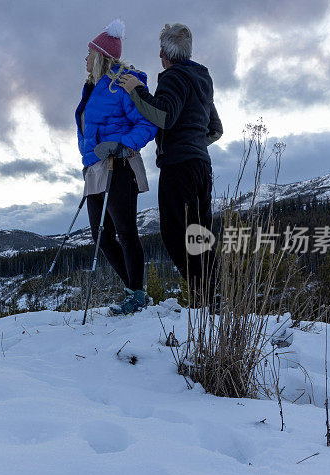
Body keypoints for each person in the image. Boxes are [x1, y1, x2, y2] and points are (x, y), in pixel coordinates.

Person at [117, 23, 222, 306]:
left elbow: (164, 116)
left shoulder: (173, 77)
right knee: (199, 231)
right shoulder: (202, 78)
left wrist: (137, 91)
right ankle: (214, 297)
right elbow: (215, 129)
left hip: (179, 167)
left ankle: (204, 298)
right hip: (202, 166)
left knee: (175, 234)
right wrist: (195, 145)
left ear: (162, 52)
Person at [76, 19, 158, 315]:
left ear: (99, 55)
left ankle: (136, 294)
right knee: (101, 235)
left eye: (88, 52)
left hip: (119, 164)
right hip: (96, 166)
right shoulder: (93, 86)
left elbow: (147, 122)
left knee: (125, 231)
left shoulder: (122, 82)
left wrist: (122, 144)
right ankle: (135, 291)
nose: (84, 58)